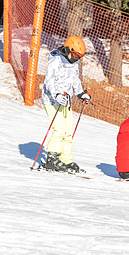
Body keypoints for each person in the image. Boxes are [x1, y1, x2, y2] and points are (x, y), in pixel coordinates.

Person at [39, 36, 91, 173]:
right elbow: (49, 81)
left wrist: (80, 93)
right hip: (51, 101)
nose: (76, 58)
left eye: (79, 56)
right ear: (68, 49)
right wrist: (56, 94)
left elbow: (75, 79)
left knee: (68, 131)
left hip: (65, 101)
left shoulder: (73, 63)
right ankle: (52, 158)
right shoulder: (55, 61)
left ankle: (66, 159)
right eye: (74, 54)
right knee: (60, 128)